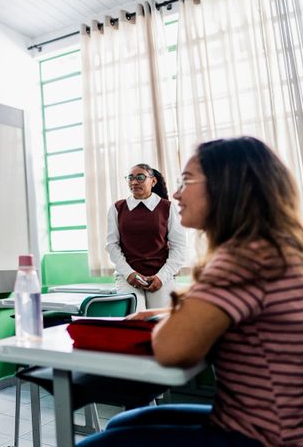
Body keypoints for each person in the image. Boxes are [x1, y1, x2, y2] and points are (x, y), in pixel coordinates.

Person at [80, 136, 303, 446]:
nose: (176, 193)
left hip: (263, 436)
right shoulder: (271, 247)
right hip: (258, 419)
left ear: (227, 185)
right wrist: (165, 311)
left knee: (93, 444)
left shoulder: (243, 259)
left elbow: (172, 349)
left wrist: (170, 315)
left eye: (186, 181)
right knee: (121, 421)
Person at [106, 163, 186, 310]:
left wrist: (161, 277)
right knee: (135, 317)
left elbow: (179, 247)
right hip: (127, 276)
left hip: (161, 275)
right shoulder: (117, 208)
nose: (134, 182)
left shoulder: (167, 207)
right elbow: (112, 245)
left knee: (159, 321)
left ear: (153, 181)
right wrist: (129, 274)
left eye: (140, 177)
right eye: (130, 178)